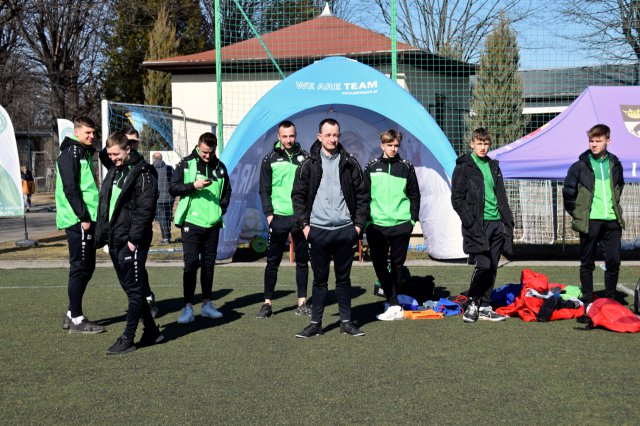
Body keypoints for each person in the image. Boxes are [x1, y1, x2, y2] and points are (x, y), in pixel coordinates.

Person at [292, 118, 369, 338]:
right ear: (319, 137)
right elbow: (297, 196)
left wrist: (357, 227)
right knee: (319, 280)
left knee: (343, 280)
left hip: (345, 231)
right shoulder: (308, 164)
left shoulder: (350, 162)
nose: (332, 139)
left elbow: (363, 196)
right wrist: (305, 226)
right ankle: (315, 323)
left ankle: (346, 322)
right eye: (328, 135)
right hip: (318, 231)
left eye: (335, 135)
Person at [96, 132, 163, 354]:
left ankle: (128, 338)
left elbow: (145, 211)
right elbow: (105, 156)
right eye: (110, 154)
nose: (112, 158)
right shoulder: (116, 170)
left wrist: (133, 241)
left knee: (135, 290)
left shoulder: (143, 174)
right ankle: (152, 332)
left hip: (132, 241)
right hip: (116, 239)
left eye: (117, 153)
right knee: (131, 288)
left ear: (128, 150)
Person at [451, 128, 514, 323]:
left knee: (493, 266)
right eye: (479, 143)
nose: (483, 147)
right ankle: (472, 302)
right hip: (477, 224)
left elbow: (501, 196)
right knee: (483, 265)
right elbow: (457, 199)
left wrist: (507, 222)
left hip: (496, 223)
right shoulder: (463, 166)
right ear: (472, 144)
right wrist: (470, 222)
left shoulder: (494, 166)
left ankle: (486, 306)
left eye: (486, 144)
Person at [169, 132, 231, 323]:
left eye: (210, 152)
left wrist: (220, 210)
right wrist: (193, 185)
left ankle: (207, 305)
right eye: (204, 152)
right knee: (190, 265)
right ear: (198, 146)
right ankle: (187, 307)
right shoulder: (187, 164)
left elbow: (227, 191)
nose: (207, 156)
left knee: (209, 265)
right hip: (191, 222)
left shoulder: (220, 168)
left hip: (212, 224)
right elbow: (173, 187)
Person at [563, 124, 625, 306]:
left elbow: (619, 186)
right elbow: (568, 192)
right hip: (590, 222)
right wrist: (578, 214)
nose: (594, 144)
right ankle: (589, 301)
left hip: (612, 221)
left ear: (608, 141)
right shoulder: (579, 166)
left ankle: (611, 299)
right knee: (587, 263)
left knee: (613, 261)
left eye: (598, 141)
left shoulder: (615, 165)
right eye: (591, 141)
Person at [364, 129, 421, 321]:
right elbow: (363, 197)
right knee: (379, 264)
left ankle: (394, 302)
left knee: (397, 265)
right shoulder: (371, 167)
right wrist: (365, 223)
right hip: (376, 226)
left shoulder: (406, 167)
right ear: (382, 145)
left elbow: (415, 195)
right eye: (390, 145)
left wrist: (411, 220)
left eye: (396, 145)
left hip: (401, 224)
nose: (393, 149)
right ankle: (392, 298)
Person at [256, 120, 310, 318]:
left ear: (296, 135)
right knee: (273, 261)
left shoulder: (305, 158)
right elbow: (264, 189)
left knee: (302, 261)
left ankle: (302, 302)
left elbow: (311, 188)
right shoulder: (269, 159)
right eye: (285, 136)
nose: (289, 140)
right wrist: (269, 214)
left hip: (299, 217)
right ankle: (267, 303)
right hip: (277, 217)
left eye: (292, 136)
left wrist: (306, 215)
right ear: (278, 137)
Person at [56, 116, 105, 334]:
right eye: (87, 133)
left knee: (87, 267)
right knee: (80, 268)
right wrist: (84, 217)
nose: (92, 136)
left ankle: (70, 313)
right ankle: (76, 319)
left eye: (93, 133)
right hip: (78, 220)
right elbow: (70, 189)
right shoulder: (71, 153)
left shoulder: (81, 152)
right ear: (76, 132)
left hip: (84, 219)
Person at [152, 152, 174, 244]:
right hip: (169, 197)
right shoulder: (169, 168)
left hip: (158, 198)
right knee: (167, 217)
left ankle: (166, 238)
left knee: (162, 218)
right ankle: (167, 236)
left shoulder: (150, 168)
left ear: (153, 158)